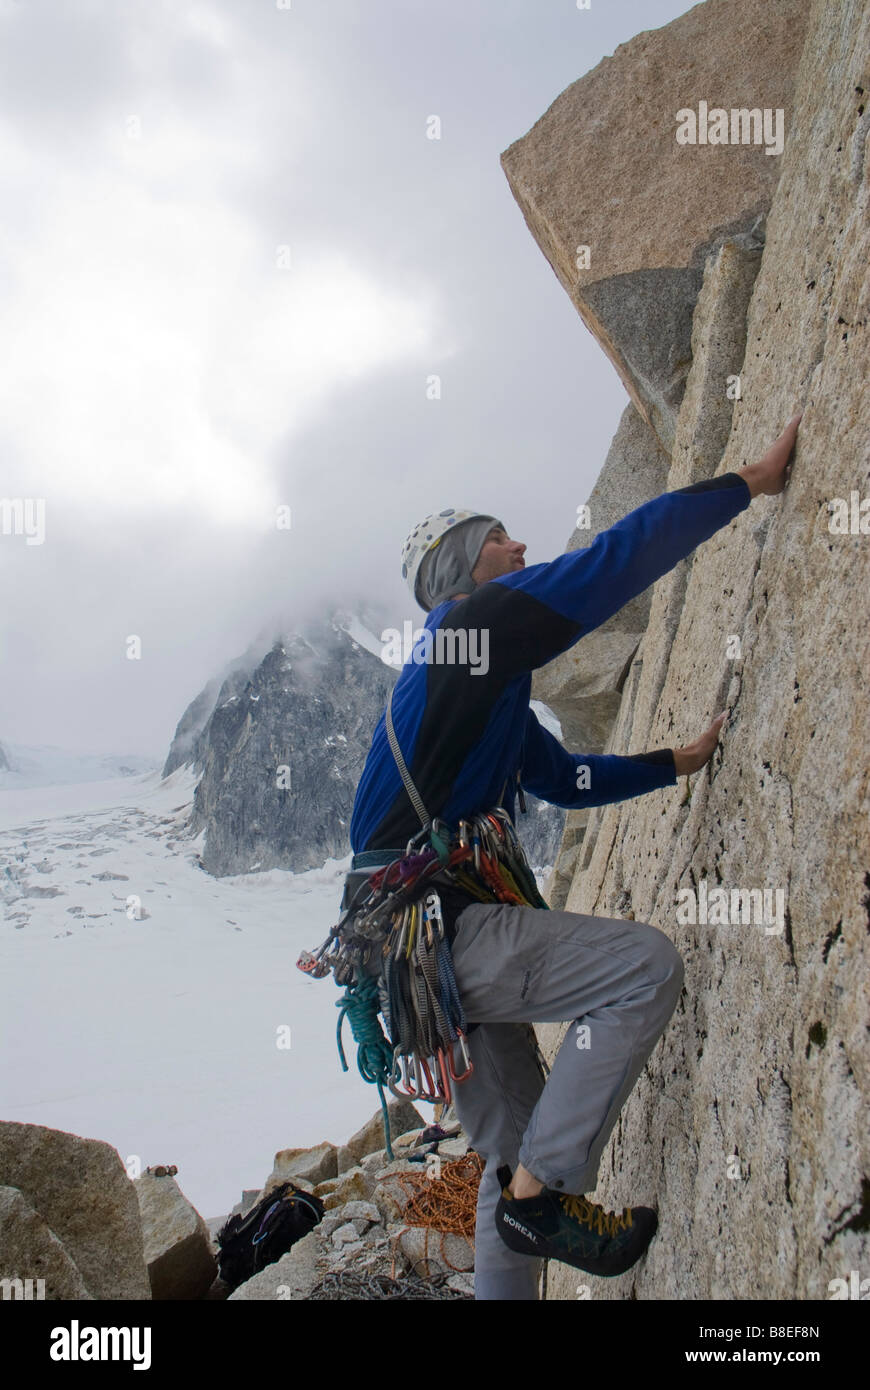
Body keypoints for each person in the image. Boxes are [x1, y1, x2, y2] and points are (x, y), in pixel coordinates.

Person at [347, 412, 802, 1300]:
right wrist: (747, 482)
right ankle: (541, 1203)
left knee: (504, 1158)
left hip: (409, 964)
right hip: (441, 934)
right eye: (495, 539)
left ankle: (528, 1198)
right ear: (461, 572)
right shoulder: (467, 632)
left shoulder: (478, 690)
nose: (518, 544)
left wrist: (673, 763)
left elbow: (565, 781)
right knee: (644, 969)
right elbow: (611, 567)